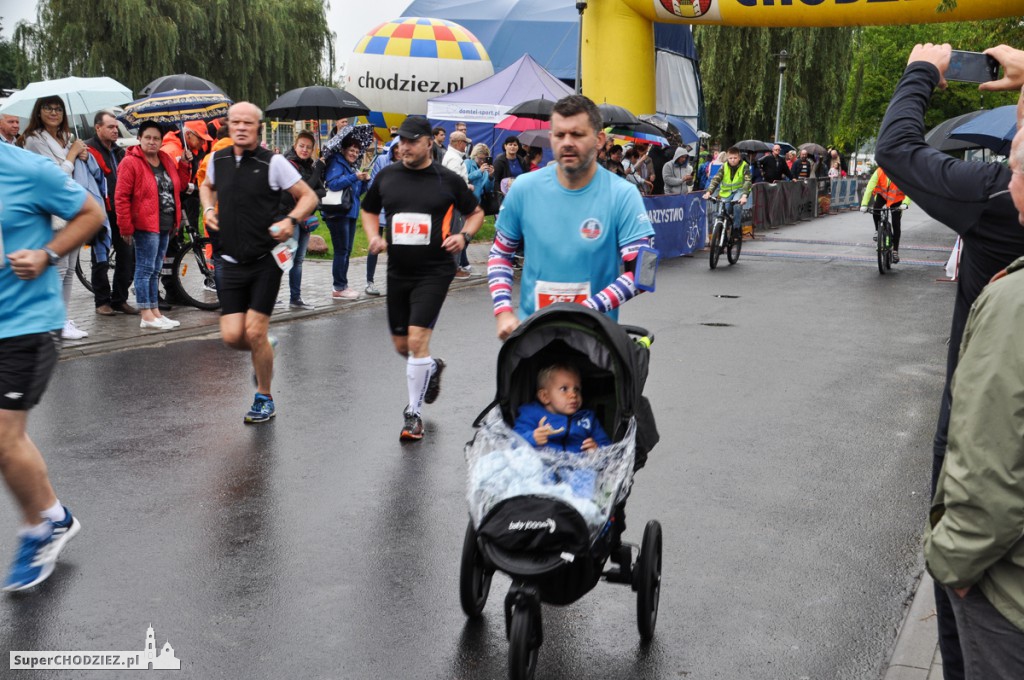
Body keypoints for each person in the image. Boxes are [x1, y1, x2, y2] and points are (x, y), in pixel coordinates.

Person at [874, 41, 1024, 680]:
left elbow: (899, 150)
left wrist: (922, 73)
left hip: (980, 418)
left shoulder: (997, 197)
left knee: (963, 572)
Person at [922, 117, 1024, 680]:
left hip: (1006, 597)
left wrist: (952, 564)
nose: (1006, 180)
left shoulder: (1010, 303)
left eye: (1012, 168)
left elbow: (989, 457)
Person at [0, 140, 105, 591]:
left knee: (4, 437)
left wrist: (47, 254)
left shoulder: (27, 169)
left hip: (26, 323)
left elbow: (92, 213)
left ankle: (41, 526)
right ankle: (54, 515)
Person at [487, 93, 655, 337]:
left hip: (596, 339)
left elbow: (642, 272)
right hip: (532, 338)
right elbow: (500, 255)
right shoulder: (523, 188)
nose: (567, 142)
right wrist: (503, 311)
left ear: (599, 140)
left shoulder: (623, 194)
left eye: (576, 134)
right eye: (559, 134)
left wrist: (586, 311)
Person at [359, 115, 483, 441]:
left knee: (416, 340)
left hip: (435, 270)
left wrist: (465, 237)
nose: (405, 146)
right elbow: (368, 209)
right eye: (401, 140)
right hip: (398, 270)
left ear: (430, 142)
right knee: (404, 346)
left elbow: (476, 213)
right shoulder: (387, 176)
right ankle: (430, 366)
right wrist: (374, 235)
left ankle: (412, 414)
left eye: (412, 140)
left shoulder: (447, 180)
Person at [199, 102, 319, 424]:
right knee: (232, 336)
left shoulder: (274, 162)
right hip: (227, 259)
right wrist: (208, 210)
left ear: (258, 128)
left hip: (264, 258)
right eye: (235, 122)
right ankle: (266, 346)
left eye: (247, 123)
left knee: (254, 331)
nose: (240, 127)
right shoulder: (218, 159)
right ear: (228, 125)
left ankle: (264, 397)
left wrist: (291, 220)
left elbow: (308, 196)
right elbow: (206, 187)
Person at [18, 96, 92, 340]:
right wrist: (71, 156)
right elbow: (54, 178)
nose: (54, 112)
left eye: (58, 109)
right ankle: (52, 322)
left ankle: (62, 320)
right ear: (38, 112)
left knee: (70, 269)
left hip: (72, 209)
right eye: (48, 108)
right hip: (52, 212)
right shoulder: (34, 140)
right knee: (58, 269)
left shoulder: (66, 138)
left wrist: (81, 155)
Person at [115, 121, 191, 331]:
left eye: (156, 138)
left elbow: (179, 186)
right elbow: (121, 197)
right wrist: (125, 226)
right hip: (145, 224)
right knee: (145, 269)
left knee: (155, 269)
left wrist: (184, 165)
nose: (152, 142)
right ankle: (145, 313)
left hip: (165, 223)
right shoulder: (131, 162)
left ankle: (155, 311)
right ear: (139, 139)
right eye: (147, 137)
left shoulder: (165, 159)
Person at [86, 111, 137, 316]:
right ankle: (102, 302)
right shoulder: (88, 150)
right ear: (98, 128)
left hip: (120, 211)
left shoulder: (119, 151)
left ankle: (119, 299)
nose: (115, 130)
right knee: (101, 259)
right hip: (100, 213)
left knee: (128, 258)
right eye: (110, 127)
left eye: (116, 127)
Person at [513, 363, 611, 452]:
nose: (573, 395)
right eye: (564, 389)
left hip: (579, 466)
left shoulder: (587, 418)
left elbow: (607, 446)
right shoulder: (531, 414)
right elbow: (514, 440)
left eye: (576, 389)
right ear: (545, 396)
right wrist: (532, 437)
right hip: (543, 465)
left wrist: (596, 449)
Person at [323, 131, 370, 300]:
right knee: (341, 250)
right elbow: (333, 184)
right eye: (351, 150)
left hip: (350, 213)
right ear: (343, 150)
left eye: (357, 152)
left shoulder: (353, 167)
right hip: (338, 213)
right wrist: (353, 177)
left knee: (347, 250)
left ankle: (343, 285)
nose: (354, 153)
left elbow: (357, 193)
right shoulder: (336, 162)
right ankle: (338, 287)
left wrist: (364, 181)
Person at [282, 131, 325, 309]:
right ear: (295, 145)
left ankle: (295, 298)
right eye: (302, 146)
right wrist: (318, 172)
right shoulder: (288, 164)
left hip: (306, 218)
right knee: (285, 259)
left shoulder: (311, 166)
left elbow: (322, 191)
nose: (305, 150)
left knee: (298, 260)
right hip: (291, 216)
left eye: (308, 147)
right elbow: (305, 187)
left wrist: (308, 195)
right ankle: (271, 296)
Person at [365, 141, 400, 296]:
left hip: (398, 211)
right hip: (381, 207)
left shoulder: (409, 163)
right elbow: (372, 183)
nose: (399, 150)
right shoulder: (382, 161)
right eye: (396, 147)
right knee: (375, 245)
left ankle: (396, 281)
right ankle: (369, 282)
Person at [860, 167, 912, 263]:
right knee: (876, 209)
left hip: (897, 199)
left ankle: (895, 251)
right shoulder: (879, 171)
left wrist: (905, 203)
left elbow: (909, 189)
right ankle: (877, 230)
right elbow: (870, 187)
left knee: (896, 223)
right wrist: (864, 204)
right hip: (882, 195)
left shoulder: (902, 172)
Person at [702, 147, 751, 241]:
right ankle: (722, 231)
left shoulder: (744, 166)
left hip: (739, 191)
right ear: (727, 158)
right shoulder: (724, 166)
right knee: (723, 211)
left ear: (739, 157)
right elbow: (716, 179)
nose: (732, 160)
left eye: (735, 158)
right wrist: (708, 192)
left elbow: (747, 181)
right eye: (730, 158)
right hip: (726, 193)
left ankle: (736, 229)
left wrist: (744, 196)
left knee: (737, 206)